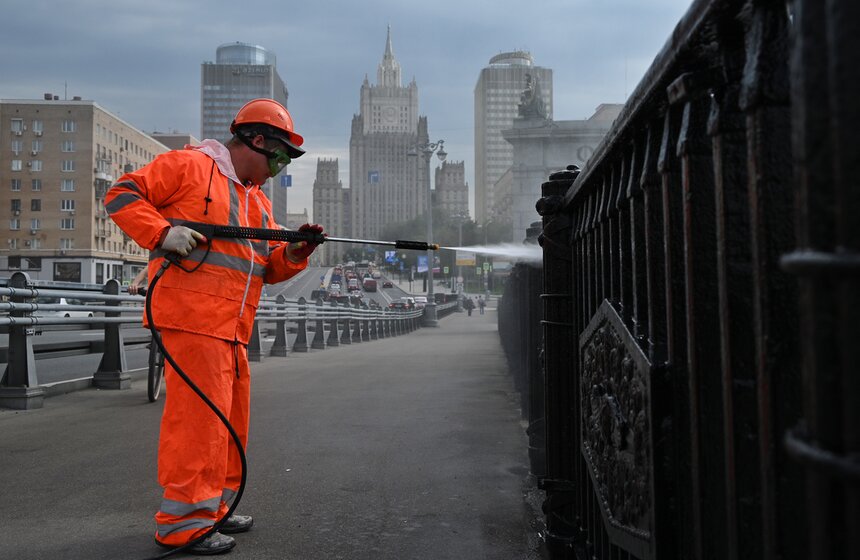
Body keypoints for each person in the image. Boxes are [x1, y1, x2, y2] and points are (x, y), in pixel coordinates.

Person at [106, 98, 323, 555]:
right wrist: (162, 233)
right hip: (191, 319)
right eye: (278, 157)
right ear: (255, 140)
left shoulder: (257, 203)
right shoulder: (189, 166)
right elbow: (121, 193)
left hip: (232, 328)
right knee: (198, 425)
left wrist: (297, 252)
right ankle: (182, 525)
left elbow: (265, 268)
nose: (278, 169)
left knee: (227, 424)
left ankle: (214, 510)